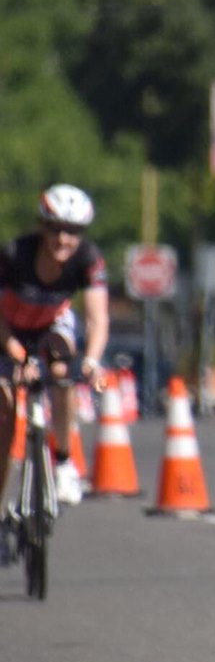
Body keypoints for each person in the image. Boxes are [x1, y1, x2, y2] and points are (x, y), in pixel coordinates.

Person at [0, 184, 109, 507]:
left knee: (62, 371)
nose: (63, 239)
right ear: (42, 227)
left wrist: (91, 360)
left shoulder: (87, 259)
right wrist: (17, 355)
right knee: (5, 415)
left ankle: (63, 461)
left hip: (50, 326)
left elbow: (97, 319)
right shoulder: (15, 256)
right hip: (7, 333)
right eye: (56, 229)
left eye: (73, 231)